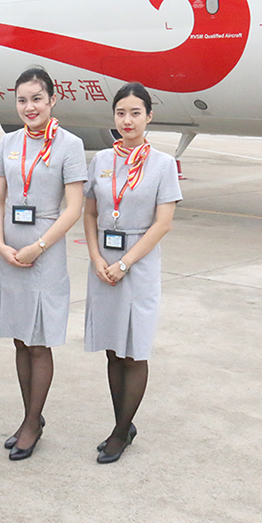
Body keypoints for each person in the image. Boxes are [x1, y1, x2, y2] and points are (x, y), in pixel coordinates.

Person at [0, 67, 86, 461]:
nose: (30, 107)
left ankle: (32, 422)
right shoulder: (8, 142)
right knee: (19, 336)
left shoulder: (69, 145)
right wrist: (0, 242)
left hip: (45, 251)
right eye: (23, 100)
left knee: (38, 341)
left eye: (37, 99)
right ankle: (30, 416)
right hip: (11, 251)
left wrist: (39, 246)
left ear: (52, 100)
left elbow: (74, 207)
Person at [83, 82, 181, 464]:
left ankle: (120, 432)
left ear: (149, 117)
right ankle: (122, 423)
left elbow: (163, 223)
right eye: (121, 113)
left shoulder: (162, 164)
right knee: (112, 348)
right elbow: (90, 212)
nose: (127, 120)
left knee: (134, 350)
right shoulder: (101, 161)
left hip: (137, 265)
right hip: (103, 265)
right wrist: (96, 257)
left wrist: (125, 263)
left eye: (135, 113)